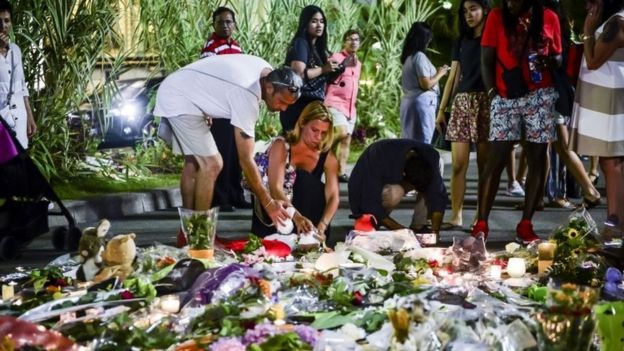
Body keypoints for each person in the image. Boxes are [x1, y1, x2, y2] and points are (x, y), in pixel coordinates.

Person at [153, 55, 303, 245]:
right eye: (282, 102)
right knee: (212, 164)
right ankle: (200, 239)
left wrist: (204, 104)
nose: (283, 109)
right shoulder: (247, 94)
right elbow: (246, 160)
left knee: (193, 163)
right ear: (270, 88)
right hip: (179, 98)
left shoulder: (268, 72)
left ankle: (187, 234)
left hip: (180, 89)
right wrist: (268, 203)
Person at [474, 0, 562, 244]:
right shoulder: (496, 16)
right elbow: (486, 57)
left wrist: (550, 61)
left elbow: (559, 56)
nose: (510, 2)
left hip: (540, 93)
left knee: (537, 156)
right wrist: (492, 93)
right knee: (497, 157)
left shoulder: (549, 18)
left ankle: (526, 223)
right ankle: (481, 222)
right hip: (505, 95)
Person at [435, 0, 491, 229]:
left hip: (487, 102)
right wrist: (442, 108)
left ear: (485, 10)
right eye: (465, 11)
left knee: (485, 167)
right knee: (458, 164)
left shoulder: (492, 38)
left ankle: (481, 217)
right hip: (462, 102)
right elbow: (453, 77)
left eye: (473, 9)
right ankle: (456, 215)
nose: (469, 14)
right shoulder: (462, 40)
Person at [570, 0, 624, 238]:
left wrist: (588, 31)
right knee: (609, 162)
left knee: (612, 163)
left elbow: (593, 61)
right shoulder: (614, 22)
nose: (589, 5)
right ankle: (615, 221)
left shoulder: (618, 23)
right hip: (605, 99)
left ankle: (615, 224)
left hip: (610, 101)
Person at [251, 101, 339, 240]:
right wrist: (297, 217)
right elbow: (275, 188)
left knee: (310, 184)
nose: (318, 137)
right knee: (302, 179)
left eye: (323, 133)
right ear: (302, 122)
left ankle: (312, 236)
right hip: (277, 211)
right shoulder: (282, 145)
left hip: (308, 213)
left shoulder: (327, 155)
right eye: (315, 130)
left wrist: (322, 225)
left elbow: (333, 196)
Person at [198, 6, 249, 213]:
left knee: (236, 153)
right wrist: (207, 109)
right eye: (221, 22)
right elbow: (205, 80)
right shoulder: (210, 48)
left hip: (234, 107)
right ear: (214, 25)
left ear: (235, 25)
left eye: (229, 22)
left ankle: (236, 194)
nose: (225, 26)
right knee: (222, 153)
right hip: (218, 107)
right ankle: (220, 197)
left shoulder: (236, 47)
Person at [348, 139, 447, 240]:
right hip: (362, 188)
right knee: (392, 194)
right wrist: (403, 232)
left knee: (438, 168)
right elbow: (370, 203)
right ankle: (372, 221)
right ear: (403, 174)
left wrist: (435, 232)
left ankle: (419, 225)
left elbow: (438, 197)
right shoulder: (379, 156)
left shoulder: (431, 157)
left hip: (404, 170)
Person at [281, 5, 339, 133]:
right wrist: (324, 69)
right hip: (299, 106)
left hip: (312, 107)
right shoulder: (301, 43)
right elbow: (298, 73)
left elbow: (319, 78)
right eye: (314, 21)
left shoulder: (318, 49)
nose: (319, 25)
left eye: (322, 21)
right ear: (305, 24)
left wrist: (336, 70)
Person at [400, 22, 450, 144]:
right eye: (429, 38)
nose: (430, 40)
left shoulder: (408, 57)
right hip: (421, 104)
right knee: (423, 143)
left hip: (409, 103)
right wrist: (441, 73)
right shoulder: (419, 56)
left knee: (409, 143)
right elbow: (425, 84)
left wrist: (436, 73)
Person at [324, 29, 361, 183]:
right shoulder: (336, 57)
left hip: (350, 107)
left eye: (356, 39)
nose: (353, 42)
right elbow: (329, 77)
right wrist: (343, 66)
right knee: (341, 133)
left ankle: (340, 171)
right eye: (350, 39)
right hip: (334, 102)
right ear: (344, 41)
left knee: (346, 139)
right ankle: (319, 153)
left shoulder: (358, 63)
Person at [0, 1, 36, 149]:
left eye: (6, 21)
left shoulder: (16, 50)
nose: (3, 26)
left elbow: (21, 86)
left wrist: (29, 117)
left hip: (19, 119)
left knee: (21, 166)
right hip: (2, 122)